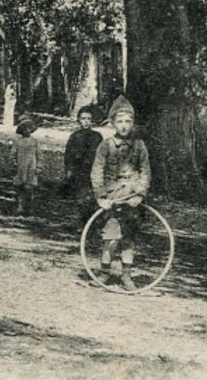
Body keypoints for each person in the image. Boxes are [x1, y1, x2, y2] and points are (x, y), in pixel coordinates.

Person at [90, 104, 152, 290]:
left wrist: (140, 194)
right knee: (110, 236)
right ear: (112, 123)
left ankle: (126, 275)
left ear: (133, 123)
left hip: (132, 197)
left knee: (128, 237)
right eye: (120, 121)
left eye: (128, 121)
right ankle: (105, 271)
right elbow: (97, 171)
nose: (124, 125)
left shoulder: (139, 145)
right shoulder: (106, 145)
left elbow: (145, 172)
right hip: (112, 196)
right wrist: (101, 197)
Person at [63, 106, 105, 226]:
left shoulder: (97, 136)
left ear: (92, 120)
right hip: (79, 171)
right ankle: (82, 223)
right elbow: (69, 155)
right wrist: (69, 170)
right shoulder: (74, 136)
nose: (86, 121)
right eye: (83, 118)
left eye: (88, 119)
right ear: (79, 120)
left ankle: (92, 223)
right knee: (81, 198)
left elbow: (102, 154)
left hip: (93, 170)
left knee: (92, 197)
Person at [13, 114, 41, 216]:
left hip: (31, 168)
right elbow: (13, 155)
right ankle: (20, 206)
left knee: (30, 189)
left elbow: (39, 155)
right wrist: (14, 164)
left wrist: (39, 167)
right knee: (20, 188)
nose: (27, 130)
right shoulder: (17, 142)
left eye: (29, 128)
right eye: (24, 128)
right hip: (20, 168)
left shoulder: (35, 142)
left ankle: (29, 209)